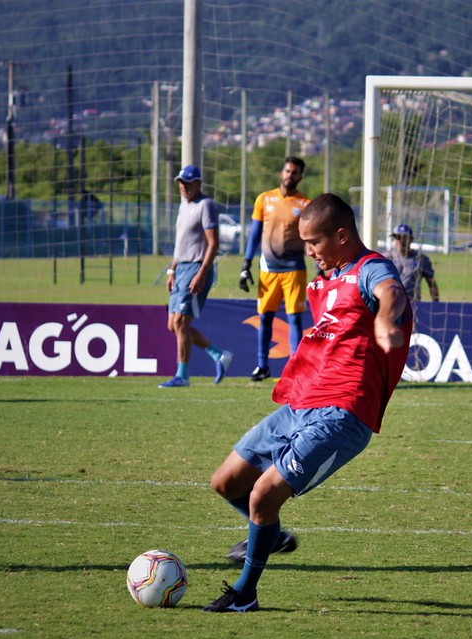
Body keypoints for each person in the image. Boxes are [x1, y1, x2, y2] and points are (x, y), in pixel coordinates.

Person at [203, 193, 413, 612]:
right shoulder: (326, 277)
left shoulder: (370, 268)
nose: (309, 251)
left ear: (341, 235)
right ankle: (271, 535)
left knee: (263, 497)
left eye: (314, 242)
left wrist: (387, 320)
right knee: (225, 482)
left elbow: (391, 291)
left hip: (343, 412)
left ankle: (245, 593)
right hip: (301, 403)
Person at [158, 164, 233, 388]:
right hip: (180, 268)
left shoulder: (206, 205)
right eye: (181, 182)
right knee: (173, 325)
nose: (183, 187)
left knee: (181, 321)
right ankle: (219, 355)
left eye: (188, 183)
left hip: (196, 268)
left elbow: (213, 243)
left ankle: (182, 375)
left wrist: (201, 273)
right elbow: (181, 243)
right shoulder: (184, 206)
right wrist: (172, 269)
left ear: (198, 183)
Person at [239, 156, 311, 381]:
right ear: (282, 172)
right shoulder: (264, 199)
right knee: (265, 318)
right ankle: (262, 366)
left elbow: (311, 238)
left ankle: (295, 368)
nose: (290, 175)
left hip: (294, 268)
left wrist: (320, 265)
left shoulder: (306, 205)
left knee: (294, 320)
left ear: (300, 177)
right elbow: (254, 235)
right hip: (268, 269)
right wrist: (246, 264)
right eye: (288, 171)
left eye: (295, 173)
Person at [384, 223, 440, 302]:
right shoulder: (386, 258)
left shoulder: (421, 259)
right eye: (397, 237)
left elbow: (431, 282)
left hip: (412, 304)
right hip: (390, 303)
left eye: (403, 238)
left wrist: (436, 303)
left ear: (411, 239)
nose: (400, 241)